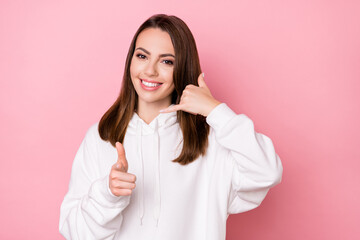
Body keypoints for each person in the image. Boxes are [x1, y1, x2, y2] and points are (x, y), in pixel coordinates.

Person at [59, 14, 283, 240]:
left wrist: (215, 111)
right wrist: (107, 195)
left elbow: (266, 172)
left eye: (167, 61)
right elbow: (74, 232)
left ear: (182, 68)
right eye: (142, 56)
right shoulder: (101, 137)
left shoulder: (210, 139)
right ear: (131, 60)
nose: (150, 71)